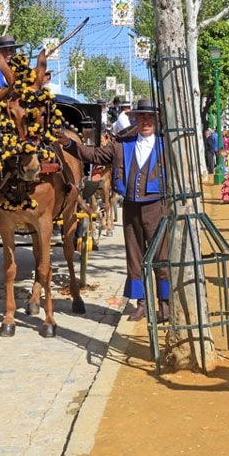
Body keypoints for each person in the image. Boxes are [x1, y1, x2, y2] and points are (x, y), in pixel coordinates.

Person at [57, 98, 170, 321]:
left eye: (149, 118)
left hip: (157, 207)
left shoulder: (165, 145)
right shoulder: (122, 144)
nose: (145, 122)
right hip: (130, 208)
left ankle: (164, 305)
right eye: (141, 117)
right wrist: (70, 145)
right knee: (134, 257)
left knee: (161, 257)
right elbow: (95, 156)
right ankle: (140, 304)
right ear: (135, 119)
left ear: (156, 121)